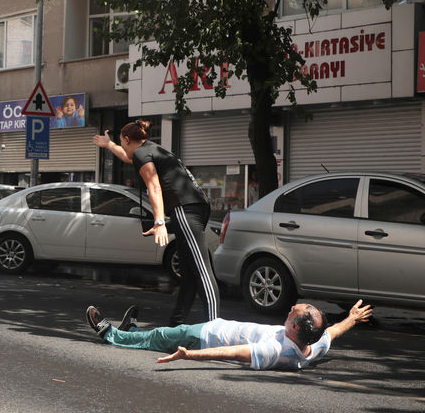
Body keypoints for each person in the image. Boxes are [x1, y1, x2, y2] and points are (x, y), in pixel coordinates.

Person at [93, 120, 218, 325]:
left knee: (202, 270)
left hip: (186, 209)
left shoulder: (143, 154)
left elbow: (154, 187)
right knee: (189, 272)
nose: (122, 147)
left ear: (127, 139)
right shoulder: (151, 149)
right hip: (195, 207)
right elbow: (126, 156)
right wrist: (108, 144)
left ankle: (217, 329)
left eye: (120, 142)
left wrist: (160, 221)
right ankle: (176, 326)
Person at [85, 300, 373, 370]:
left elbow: (232, 353)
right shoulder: (312, 346)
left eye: (294, 312)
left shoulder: (276, 350)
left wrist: (190, 354)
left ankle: (110, 334)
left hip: (206, 338)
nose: (293, 308)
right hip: (214, 329)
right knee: (158, 335)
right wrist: (352, 318)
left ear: (296, 327)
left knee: (160, 336)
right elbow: (331, 333)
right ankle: (131, 331)